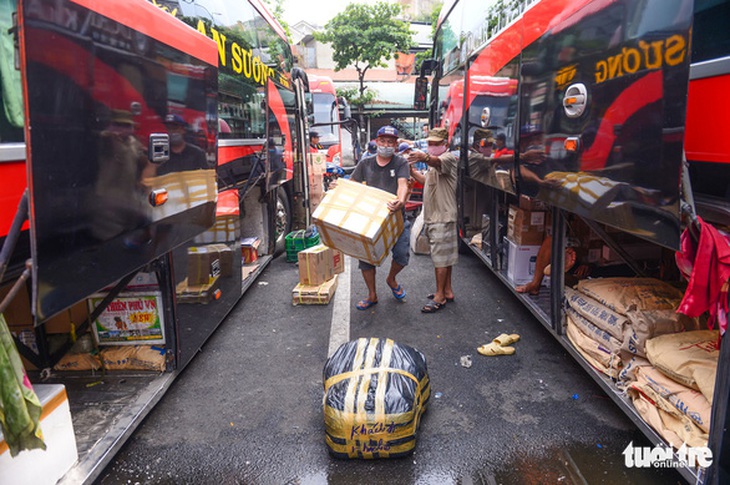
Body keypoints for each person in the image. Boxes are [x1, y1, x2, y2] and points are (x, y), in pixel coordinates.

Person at [349, 125, 411, 310]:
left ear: (396, 144)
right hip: (370, 219)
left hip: (395, 216)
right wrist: (340, 186)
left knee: (402, 254)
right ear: (377, 142)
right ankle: (372, 295)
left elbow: (403, 184)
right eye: (383, 141)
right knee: (366, 258)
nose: (386, 145)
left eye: (390, 142)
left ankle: (391, 279)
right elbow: (352, 184)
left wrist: (400, 200)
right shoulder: (365, 163)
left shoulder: (400, 163)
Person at [407, 127, 459, 313]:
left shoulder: (447, 158)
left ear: (445, 144)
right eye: (430, 143)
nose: (432, 146)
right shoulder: (433, 164)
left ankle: (439, 296)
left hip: (442, 217)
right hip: (434, 216)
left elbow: (436, 160)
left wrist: (424, 157)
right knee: (445, 257)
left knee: (439, 258)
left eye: (436, 143)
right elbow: (426, 181)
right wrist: (412, 171)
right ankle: (447, 290)